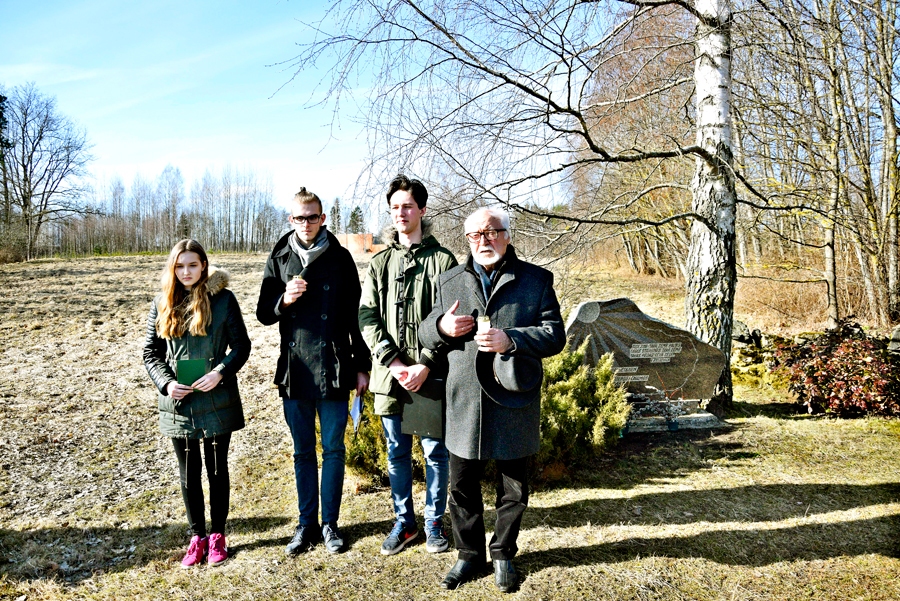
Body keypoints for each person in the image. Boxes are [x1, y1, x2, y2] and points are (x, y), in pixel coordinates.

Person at [418, 207, 566, 593]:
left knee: (513, 488)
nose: (483, 241)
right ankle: (468, 555)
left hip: (513, 397)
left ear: (507, 235)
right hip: (464, 399)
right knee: (461, 486)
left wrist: (512, 339)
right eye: (475, 235)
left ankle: (503, 554)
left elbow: (555, 334)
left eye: (491, 232)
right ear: (467, 240)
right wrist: (442, 326)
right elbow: (424, 332)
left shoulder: (536, 279)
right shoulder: (449, 280)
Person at [257, 187, 370, 555]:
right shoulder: (279, 256)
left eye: (312, 217)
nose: (306, 223)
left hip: (334, 366)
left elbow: (357, 317)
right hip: (296, 370)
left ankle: (330, 525)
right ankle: (306, 525)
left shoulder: (340, 257)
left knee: (333, 450)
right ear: (291, 219)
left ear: (323, 218)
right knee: (303, 451)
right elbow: (263, 313)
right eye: (299, 218)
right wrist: (284, 300)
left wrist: (362, 366)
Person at [359, 174, 458, 555]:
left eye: (408, 206)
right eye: (394, 207)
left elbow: (452, 318)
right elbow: (367, 316)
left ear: (422, 210)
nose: (401, 213)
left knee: (435, 453)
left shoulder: (443, 260)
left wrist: (425, 364)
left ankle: (434, 522)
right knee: (396, 453)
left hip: (430, 375)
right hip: (390, 376)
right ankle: (405, 523)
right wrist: (394, 361)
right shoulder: (379, 262)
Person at [143, 239, 251, 568]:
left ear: (204, 265)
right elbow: (151, 353)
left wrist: (220, 372)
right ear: (172, 269)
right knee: (189, 473)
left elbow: (241, 346)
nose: (186, 272)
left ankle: (217, 535)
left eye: (192, 265)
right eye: (180, 266)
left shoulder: (224, 300)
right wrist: (166, 383)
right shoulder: (162, 302)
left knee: (217, 470)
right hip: (180, 404)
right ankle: (197, 537)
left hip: (216, 398)